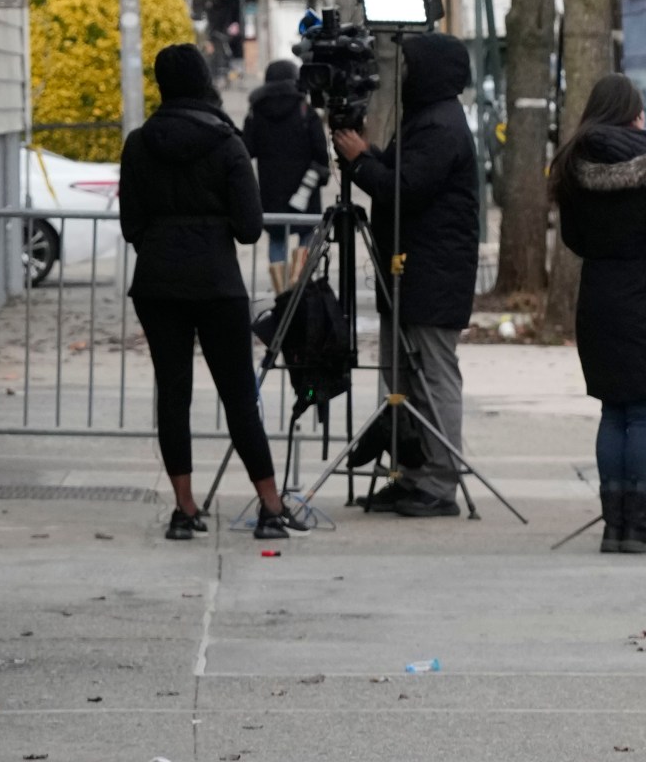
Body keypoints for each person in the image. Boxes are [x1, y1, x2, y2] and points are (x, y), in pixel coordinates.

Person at [120, 42, 309, 541]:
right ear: (204, 80)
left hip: (158, 283)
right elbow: (249, 228)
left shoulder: (139, 144)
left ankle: (184, 509)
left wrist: (164, 239)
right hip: (217, 283)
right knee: (239, 395)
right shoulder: (226, 143)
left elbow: (131, 225)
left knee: (173, 394)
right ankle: (270, 506)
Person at [333, 30, 480, 517]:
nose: (404, 78)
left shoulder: (441, 126)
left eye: (412, 68)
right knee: (399, 379)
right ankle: (407, 471)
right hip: (408, 270)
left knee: (433, 375)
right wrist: (366, 156)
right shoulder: (425, 118)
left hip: (433, 275)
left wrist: (360, 162)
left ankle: (439, 481)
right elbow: (397, 174)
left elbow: (405, 189)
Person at [550, 71, 646, 554]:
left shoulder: (571, 165)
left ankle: (613, 526)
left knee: (613, 411)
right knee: (642, 414)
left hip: (599, 296)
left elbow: (572, 239)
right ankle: (639, 523)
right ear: (634, 114)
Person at [242, 58, 330, 291]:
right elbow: (321, 154)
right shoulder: (305, 110)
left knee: (277, 240)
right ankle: (299, 288)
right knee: (306, 236)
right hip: (305, 192)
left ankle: (281, 293)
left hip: (272, 193)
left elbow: (245, 150)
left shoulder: (257, 112)